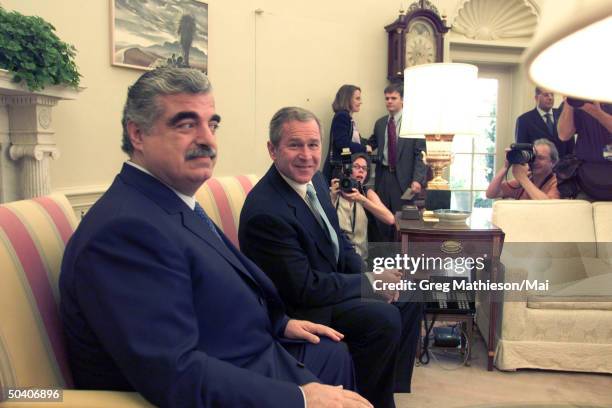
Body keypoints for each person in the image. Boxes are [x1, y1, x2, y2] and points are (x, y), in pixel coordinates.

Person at [60, 68, 373, 408]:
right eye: (185, 124)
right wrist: (299, 398)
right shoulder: (123, 231)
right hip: (232, 377)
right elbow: (175, 373)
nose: (208, 139)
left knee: (337, 352)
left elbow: (211, 289)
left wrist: (281, 324)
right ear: (137, 134)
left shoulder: (169, 200)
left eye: (212, 125)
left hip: (250, 349)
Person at [239, 107, 422, 408]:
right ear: (272, 149)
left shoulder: (317, 182)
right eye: (295, 145)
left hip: (327, 286)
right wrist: (368, 282)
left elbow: (341, 243)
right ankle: (368, 401)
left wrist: (370, 276)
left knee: (410, 294)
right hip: (300, 307)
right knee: (383, 318)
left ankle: (385, 389)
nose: (307, 155)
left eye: (313, 145)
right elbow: (304, 288)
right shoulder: (266, 211)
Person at [367, 83, 427, 242]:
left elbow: (420, 154)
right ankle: (384, 258)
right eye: (387, 98)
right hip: (383, 177)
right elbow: (374, 142)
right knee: (382, 220)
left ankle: (402, 260)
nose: (389, 101)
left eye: (393, 98)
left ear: (403, 100)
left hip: (404, 180)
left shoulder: (413, 123)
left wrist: (417, 179)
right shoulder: (380, 124)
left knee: (403, 223)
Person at [330, 152, 394, 262]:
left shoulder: (367, 194)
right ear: (347, 170)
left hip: (361, 260)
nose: (361, 170)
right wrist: (331, 198)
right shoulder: (336, 192)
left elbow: (390, 219)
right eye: (356, 167)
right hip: (336, 259)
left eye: (364, 168)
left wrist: (362, 199)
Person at [557, 99, 612, 200]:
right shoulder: (576, 100)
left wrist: (594, 111)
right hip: (585, 180)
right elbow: (563, 135)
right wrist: (569, 102)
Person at [322, 84, 370, 183]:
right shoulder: (342, 116)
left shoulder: (347, 117)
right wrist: (364, 148)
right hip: (339, 171)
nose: (361, 102)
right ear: (347, 99)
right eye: (357, 98)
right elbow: (342, 143)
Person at [486, 138, 560, 200]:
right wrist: (506, 166)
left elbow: (549, 207)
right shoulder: (528, 178)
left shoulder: (557, 183)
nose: (535, 161)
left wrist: (523, 178)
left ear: (553, 162)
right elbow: (491, 193)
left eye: (540, 158)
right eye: (533, 157)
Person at [515, 87, 574, 159]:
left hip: (563, 167)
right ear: (536, 98)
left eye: (552, 95)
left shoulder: (563, 117)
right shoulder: (524, 120)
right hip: (537, 167)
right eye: (546, 95)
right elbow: (522, 151)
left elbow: (571, 148)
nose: (550, 98)